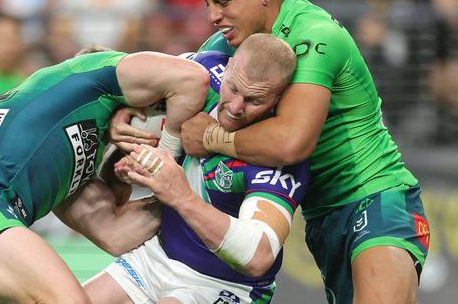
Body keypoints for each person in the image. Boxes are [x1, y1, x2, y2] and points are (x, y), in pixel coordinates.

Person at [165, 0, 430, 303]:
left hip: (376, 196)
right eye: (208, 3)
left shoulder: (315, 36)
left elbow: (292, 142)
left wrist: (211, 137)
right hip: (321, 216)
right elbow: (170, 100)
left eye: (224, 2)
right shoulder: (225, 43)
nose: (213, 16)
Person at [0, 47, 209, 303]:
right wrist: (168, 156)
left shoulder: (65, 161)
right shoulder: (84, 69)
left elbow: (116, 234)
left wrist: (185, 195)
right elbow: (191, 78)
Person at [86, 33, 310, 304]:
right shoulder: (201, 72)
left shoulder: (279, 155)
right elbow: (110, 76)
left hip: (221, 285)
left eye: (254, 100)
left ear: (277, 100)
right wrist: (116, 113)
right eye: (234, 89)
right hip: (155, 257)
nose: (237, 107)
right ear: (227, 70)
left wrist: (180, 195)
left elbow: (258, 256)